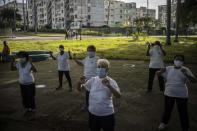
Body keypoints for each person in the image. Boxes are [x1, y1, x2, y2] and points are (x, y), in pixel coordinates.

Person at [77, 59, 121, 131]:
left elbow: (118, 96)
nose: (100, 69)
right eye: (98, 67)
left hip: (107, 114)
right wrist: (79, 83)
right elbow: (80, 89)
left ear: (107, 69)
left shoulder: (112, 81)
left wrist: (109, 86)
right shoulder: (93, 80)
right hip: (93, 113)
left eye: (102, 67)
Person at [157, 55, 196, 131]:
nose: (178, 61)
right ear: (174, 60)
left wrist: (186, 74)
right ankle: (164, 123)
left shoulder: (185, 69)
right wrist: (160, 71)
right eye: (176, 59)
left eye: (180, 60)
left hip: (181, 94)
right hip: (169, 93)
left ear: (183, 62)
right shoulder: (168, 68)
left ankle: (185, 127)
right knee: (167, 109)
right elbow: (158, 74)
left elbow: (194, 81)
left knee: (183, 111)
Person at [73, 45, 99, 110]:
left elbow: (102, 68)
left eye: (91, 50)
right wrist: (75, 59)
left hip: (95, 80)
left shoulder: (98, 59)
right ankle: (87, 105)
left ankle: (95, 106)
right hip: (86, 79)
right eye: (88, 50)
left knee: (94, 94)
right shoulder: (86, 58)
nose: (89, 52)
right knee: (87, 93)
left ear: (94, 51)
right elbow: (81, 64)